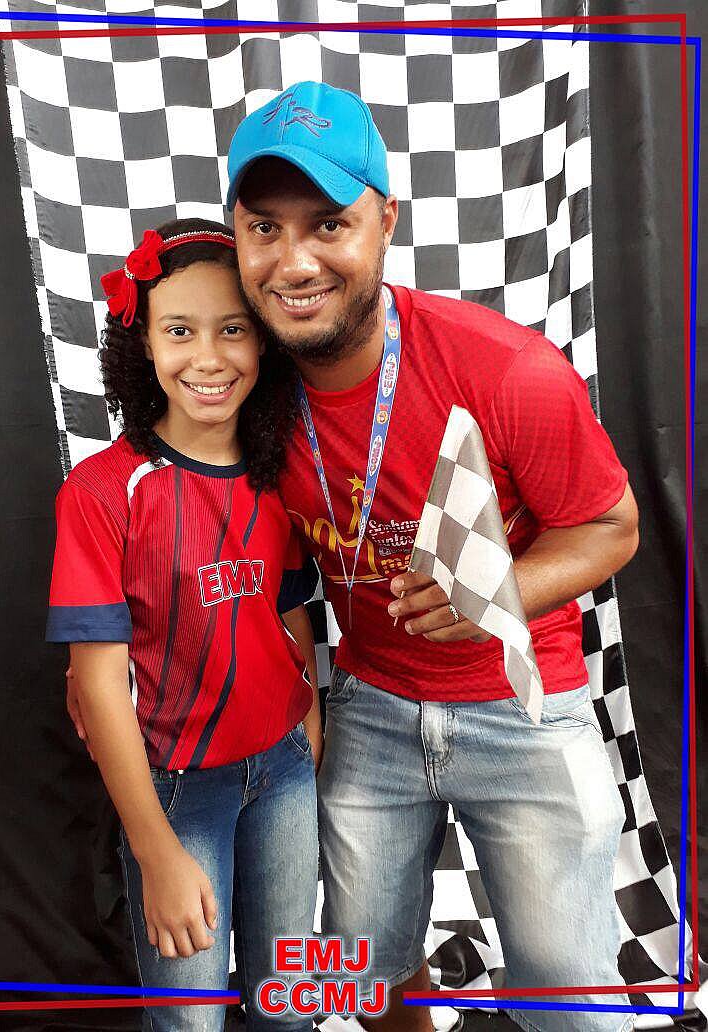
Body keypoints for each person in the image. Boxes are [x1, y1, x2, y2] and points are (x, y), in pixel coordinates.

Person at [66, 84, 640, 1032]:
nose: (295, 262)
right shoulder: (247, 386)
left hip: (521, 707)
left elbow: (612, 527)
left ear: (385, 223)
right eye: (264, 228)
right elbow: (196, 531)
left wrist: (499, 589)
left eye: (329, 224)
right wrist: (104, 664)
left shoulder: (507, 370)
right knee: (366, 972)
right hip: (368, 709)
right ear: (238, 236)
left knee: (565, 989)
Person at [47, 217, 321, 1032]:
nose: (208, 357)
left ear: (264, 340)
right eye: (180, 331)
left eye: (232, 329)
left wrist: (308, 722)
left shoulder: (280, 475)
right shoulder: (103, 492)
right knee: (189, 1019)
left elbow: (291, 609)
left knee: (287, 1004)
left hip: (284, 775)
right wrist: (155, 849)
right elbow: (98, 684)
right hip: (176, 794)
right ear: (143, 345)